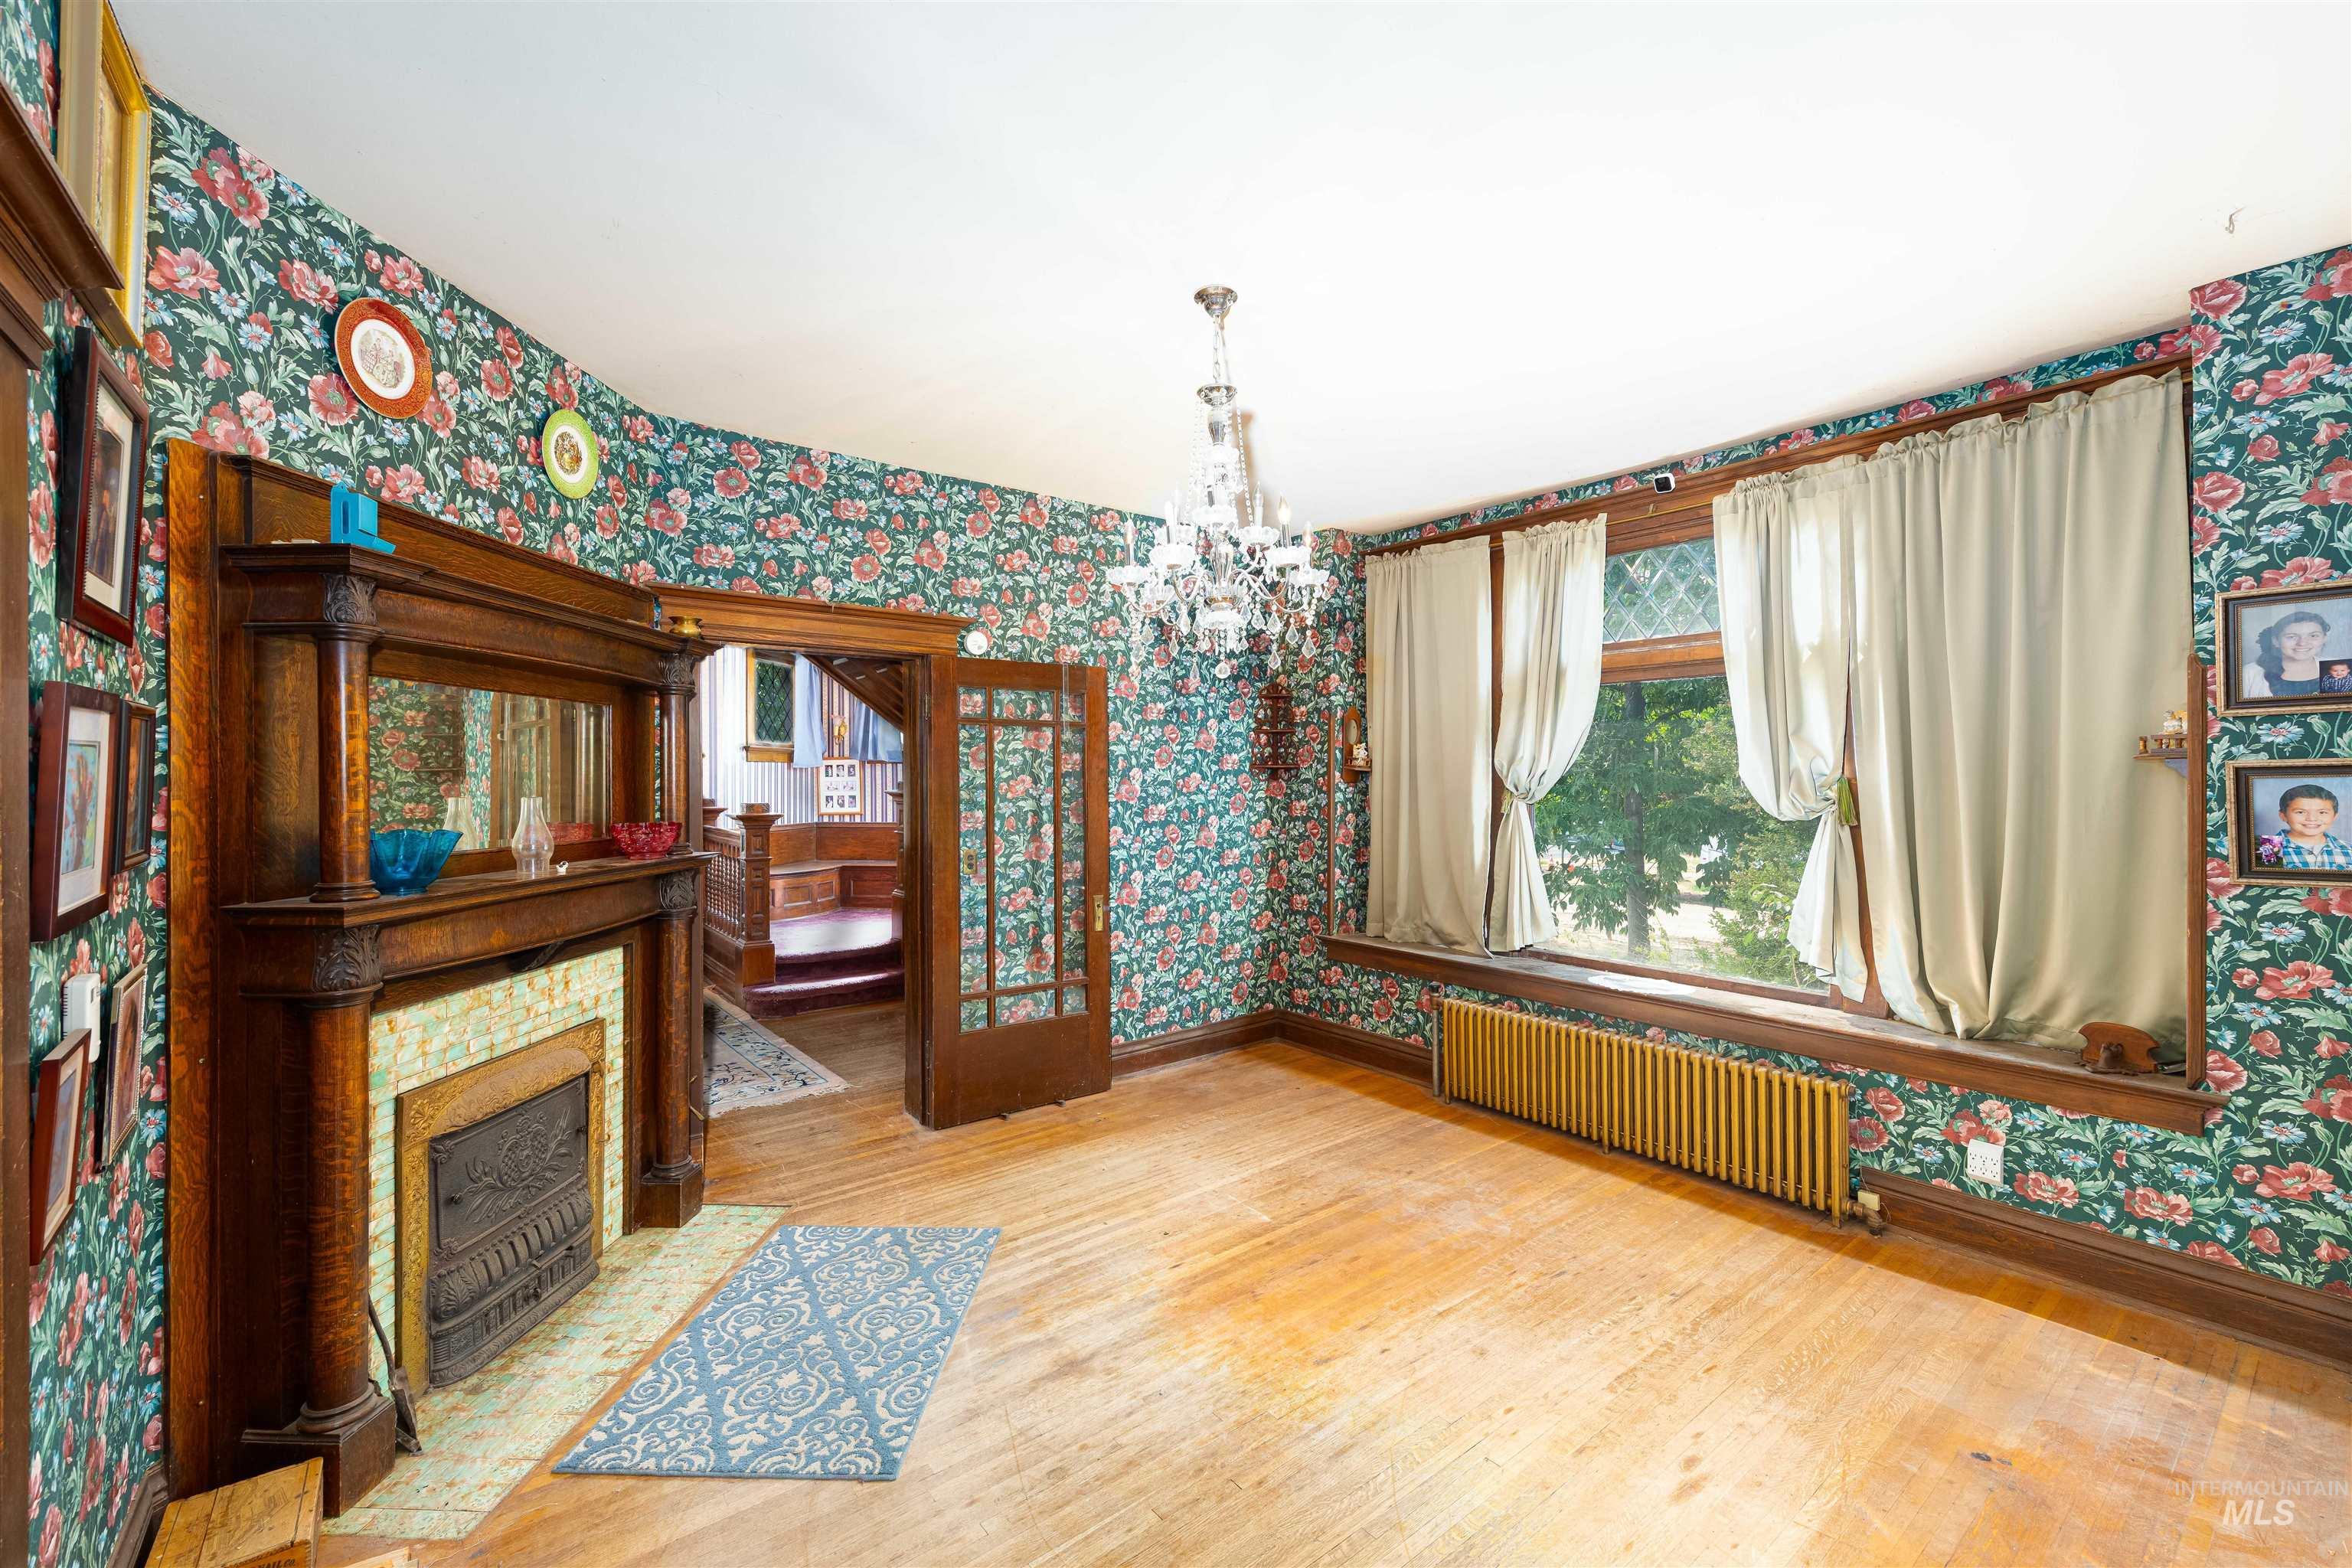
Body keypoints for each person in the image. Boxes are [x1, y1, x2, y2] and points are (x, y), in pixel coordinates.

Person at [2243, 609, 2334, 698]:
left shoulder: (2336, 666)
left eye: (2313, 636)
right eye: (2291, 637)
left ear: (2324, 638)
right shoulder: (2250, 673)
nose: (2302, 643)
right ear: (2276, 641)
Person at [2275, 782, 2352, 871]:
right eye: (2300, 812)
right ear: (2283, 816)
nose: (2312, 819)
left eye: (2322, 812)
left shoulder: (2349, 850)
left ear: (2334, 816)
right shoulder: (2269, 849)